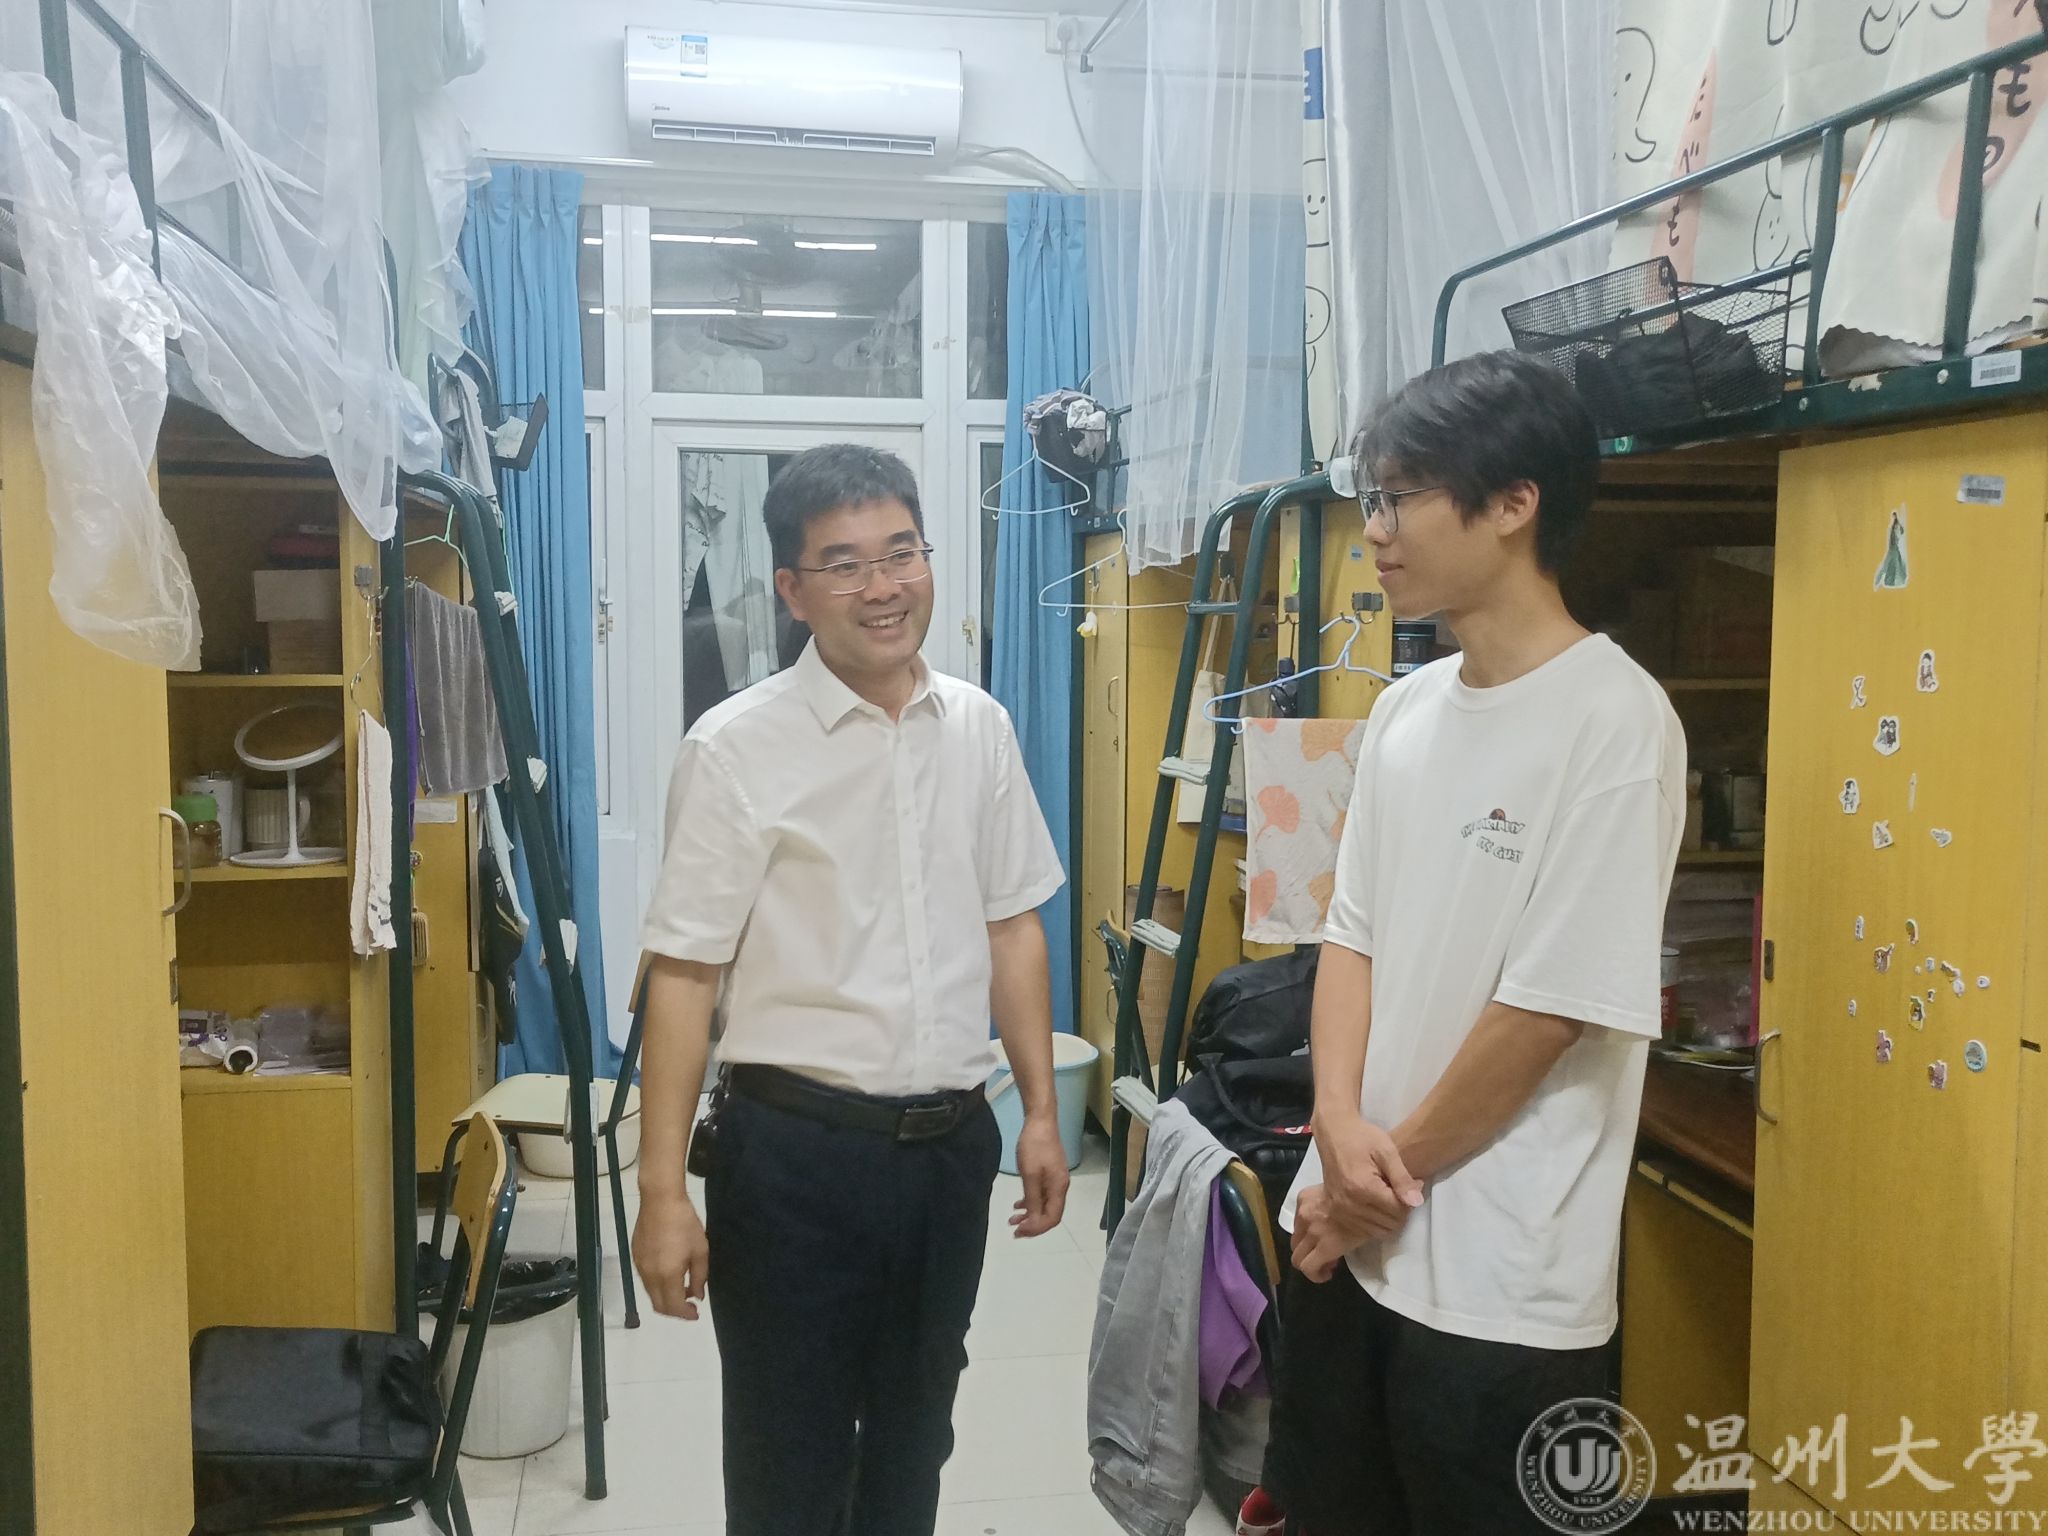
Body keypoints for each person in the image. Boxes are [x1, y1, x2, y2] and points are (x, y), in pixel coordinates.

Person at [1266, 351, 1686, 1534]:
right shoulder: (1405, 707)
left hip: (1502, 1285)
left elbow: (1545, 1014)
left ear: (1512, 504)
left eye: (1399, 497)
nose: (1374, 530)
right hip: (1351, 1235)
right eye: (1371, 499)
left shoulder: (1614, 723)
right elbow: (1349, 934)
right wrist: (1334, 1129)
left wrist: (1367, 1187)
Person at [632, 443, 1072, 1536]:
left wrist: (1040, 1112)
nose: (882, 586)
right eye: (844, 564)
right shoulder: (734, 749)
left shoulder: (979, 726)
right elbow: (684, 975)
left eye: (901, 552)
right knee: (789, 1456)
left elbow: (1011, 925)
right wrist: (660, 1192)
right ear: (791, 589)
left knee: (916, 1441)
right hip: (794, 1160)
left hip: (949, 1150)